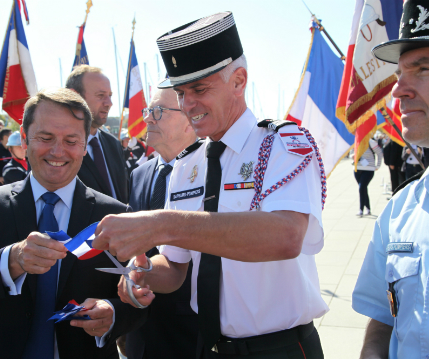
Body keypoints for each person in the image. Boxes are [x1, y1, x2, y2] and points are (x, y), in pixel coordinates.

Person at [92, 12, 328, 359]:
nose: (188, 105)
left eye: (200, 89)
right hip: (208, 347)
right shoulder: (188, 165)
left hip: (277, 347)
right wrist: (140, 273)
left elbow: (287, 236)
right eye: (182, 93)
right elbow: (174, 268)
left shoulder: (282, 145)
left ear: (239, 80)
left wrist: (161, 224)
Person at [0, 89, 146, 359]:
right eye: (45, 138)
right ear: (25, 136)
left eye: (71, 140)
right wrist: (13, 259)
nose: (57, 151)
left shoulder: (114, 214)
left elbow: (140, 295)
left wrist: (112, 314)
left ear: (85, 143)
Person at [352, 1, 429, 357]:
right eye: (399, 74)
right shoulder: (400, 210)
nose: (398, 90)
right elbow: (383, 319)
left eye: (423, 69)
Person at [125, 88, 198, 359]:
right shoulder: (139, 174)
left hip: (190, 330)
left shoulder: (211, 170)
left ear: (190, 118)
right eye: (148, 111)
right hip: (140, 328)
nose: (147, 119)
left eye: (158, 112)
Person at [66, 65, 129, 203]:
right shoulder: (59, 148)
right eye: (101, 95)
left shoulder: (113, 144)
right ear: (74, 96)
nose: (109, 103)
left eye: (110, 96)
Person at [353, 138, 383, 216]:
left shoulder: (370, 142)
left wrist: (378, 165)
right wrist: (353, 156)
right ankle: (368, 208)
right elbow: (352, 154)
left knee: (361, 187)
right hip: (357, 169)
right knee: (363, 189)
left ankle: (361, 209)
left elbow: (379, 153)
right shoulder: (355, 141)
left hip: (368, 169)